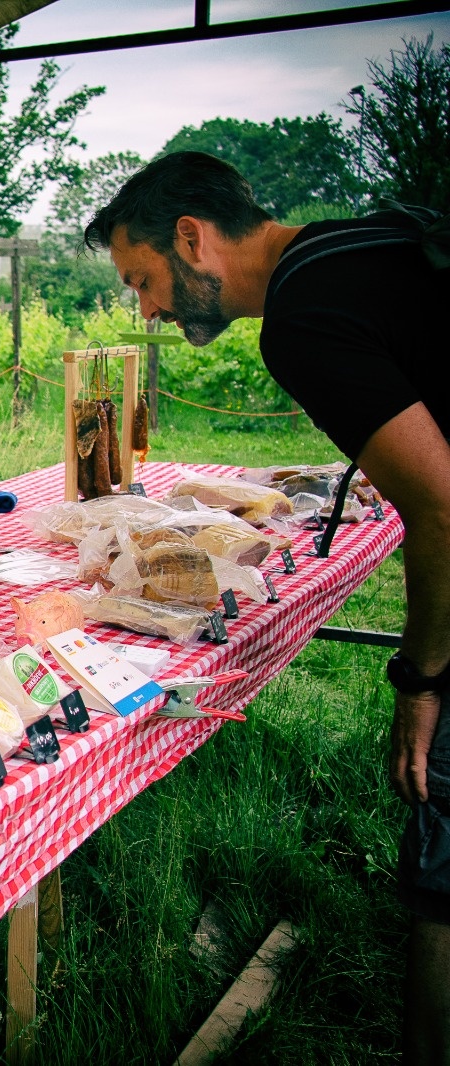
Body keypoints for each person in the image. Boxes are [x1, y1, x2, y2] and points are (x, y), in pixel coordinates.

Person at [85, 151, 449, 1065]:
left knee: (445, 863)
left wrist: (422, 676)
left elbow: (441, 502)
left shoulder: (301, 316)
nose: (148, 311)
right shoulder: (349, 247)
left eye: (143, 281)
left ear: (193, 239)